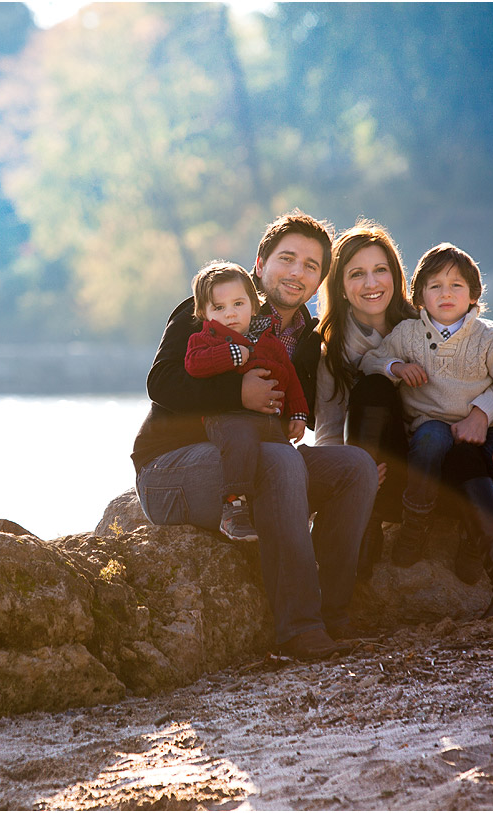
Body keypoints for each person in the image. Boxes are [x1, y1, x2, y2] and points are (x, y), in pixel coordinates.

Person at [132, 210, 378, 661]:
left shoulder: (306, 334)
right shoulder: (215, 300)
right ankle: (299, 629)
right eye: (288, 259)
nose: (297, 273)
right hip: (170, 470)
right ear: (260, 263)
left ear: (321, 278)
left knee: (355, 467)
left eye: (311, 266)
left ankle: (333, 612)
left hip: (258, 461)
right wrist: (236, 392)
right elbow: (161, 383)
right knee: (281, 462)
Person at [314, 221, 493, 583]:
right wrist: (349, 471)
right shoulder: (332, 351)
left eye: (381, 270)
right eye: (357, 274)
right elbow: (329, 433)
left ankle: (476, 543)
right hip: (380, 479)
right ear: (341, 287)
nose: (372, 283)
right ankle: (365, 526)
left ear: (396, 276)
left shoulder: (426, 319)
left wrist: (479, 412)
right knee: (373, 389)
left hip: (441, 461)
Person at [360, 242, 493, 620]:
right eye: (435, 286)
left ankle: (472, 543)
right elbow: (370, 360)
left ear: (474, 294)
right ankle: (416, 522)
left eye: (456, 286)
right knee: (431, 438)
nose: (446, 294)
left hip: (483, 434)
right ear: (419, 295)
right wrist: (395, 367)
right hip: (430, 428)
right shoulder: (408, 333)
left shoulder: (488, 336)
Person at [184, 261, 308, 543]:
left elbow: (290, 377)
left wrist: (298, 412)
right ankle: (234, 507)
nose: (230, 314)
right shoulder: (204, 339)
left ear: (254, 304)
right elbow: (194, 365)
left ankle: (289, 522)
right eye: (219, 308)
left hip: (268, 419)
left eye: (238, 303)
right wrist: (231, 355)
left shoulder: (269, 341)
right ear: (204, 313)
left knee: (283, 458)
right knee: (239, 444)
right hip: (228, 418)